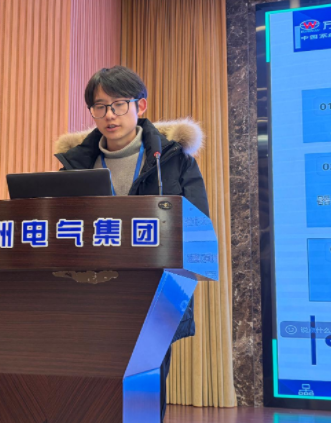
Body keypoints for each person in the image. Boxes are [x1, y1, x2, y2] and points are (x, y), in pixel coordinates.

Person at [54, 66, 209, 421]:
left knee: (145, 393)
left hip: (154, 292)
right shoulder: (75, 165)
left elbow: (197, 227)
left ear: (140, 106)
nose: (109, 115)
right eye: (100, 107)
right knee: (90, 394)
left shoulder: (173, 160)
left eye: (119, 104)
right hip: (89, 295)